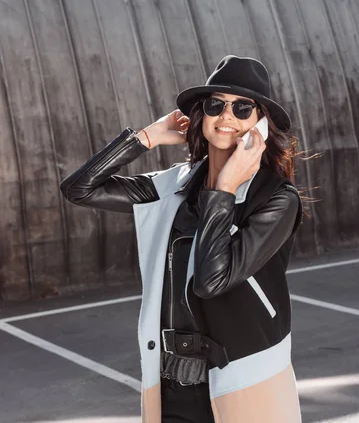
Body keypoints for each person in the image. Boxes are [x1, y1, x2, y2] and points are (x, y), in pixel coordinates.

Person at [60, 55, 303, 423]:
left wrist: (225, 188)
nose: (226, 116)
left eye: (242, 108)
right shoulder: (174, 187)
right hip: (172, 387)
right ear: (201, 114)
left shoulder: (277, 199)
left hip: (242, 383)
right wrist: (147, 137)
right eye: (215, 105)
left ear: (261, 124)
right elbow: (79, 189)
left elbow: (211, 281)